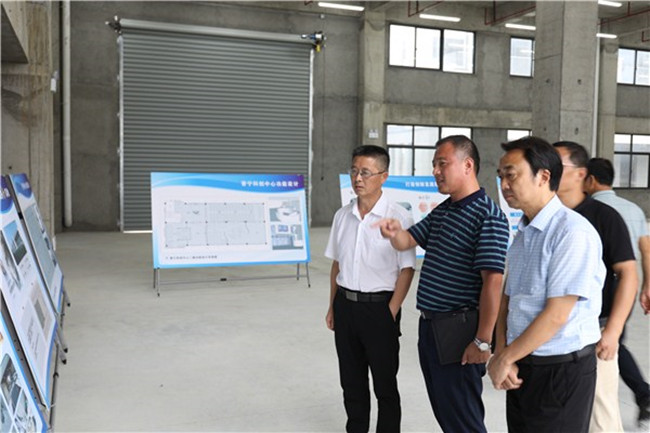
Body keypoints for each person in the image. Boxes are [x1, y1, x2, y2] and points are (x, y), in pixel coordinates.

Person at [375, 135, 509, 432]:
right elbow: (407, 240)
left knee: (462, 418)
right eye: (434, 165)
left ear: (468, 165)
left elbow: (493, 283)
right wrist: (394, 232)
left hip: (459, 330)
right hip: (431, 326)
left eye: (442, 164)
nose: (435, 171)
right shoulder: (445, 210)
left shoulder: (487, 216)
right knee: (446, 412)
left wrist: (482, 341)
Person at [488, 136, 605, 432]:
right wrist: (503, 354)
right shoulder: (524, 232)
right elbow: (508, 299)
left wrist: (505, 358)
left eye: (511, 175)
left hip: (560, 372)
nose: (504, 185)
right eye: (501, 176)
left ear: (543, 176)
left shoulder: (572, 232)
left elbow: (556, 315)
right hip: (522, 364)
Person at [324, 144, 415, 433]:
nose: (357, 178)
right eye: (354, 171)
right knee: (351, 382)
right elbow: (337, 265)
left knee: (385, 385)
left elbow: (407, 269)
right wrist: (332, 306)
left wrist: (391, 311)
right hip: (345, 306)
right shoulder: (342, 216)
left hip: (380, 309)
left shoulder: (398, 217)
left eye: (365, 172)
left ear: (384, 176)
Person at [552, 142, 638, 432]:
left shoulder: (604, 217)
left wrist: (613, 331)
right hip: (550, 335)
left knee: (600, 416)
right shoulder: (543, 217)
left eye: (557, 165)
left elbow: (628, 274)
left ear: (581, 174)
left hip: (593, 332)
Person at [585, 157, 650, 427]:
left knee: (610, 344)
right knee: (613, 341)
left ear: (589, 179)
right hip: (627, 286)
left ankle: (644, 394)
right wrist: (647, 285)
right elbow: (645, 249)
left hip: (603, 290)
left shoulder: (592, 210)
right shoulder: (633, 208)